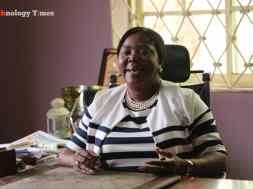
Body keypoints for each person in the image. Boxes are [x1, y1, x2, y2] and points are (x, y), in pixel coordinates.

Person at [58, 27, 227, 177]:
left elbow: (218, 159)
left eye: (144, 52)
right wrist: (77, 159)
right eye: (126, 52)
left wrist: (185, 166)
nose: (133, 58)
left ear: (160, 62)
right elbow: (66, 153)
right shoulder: (102, 101)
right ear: (118, 62)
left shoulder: (187, 100)